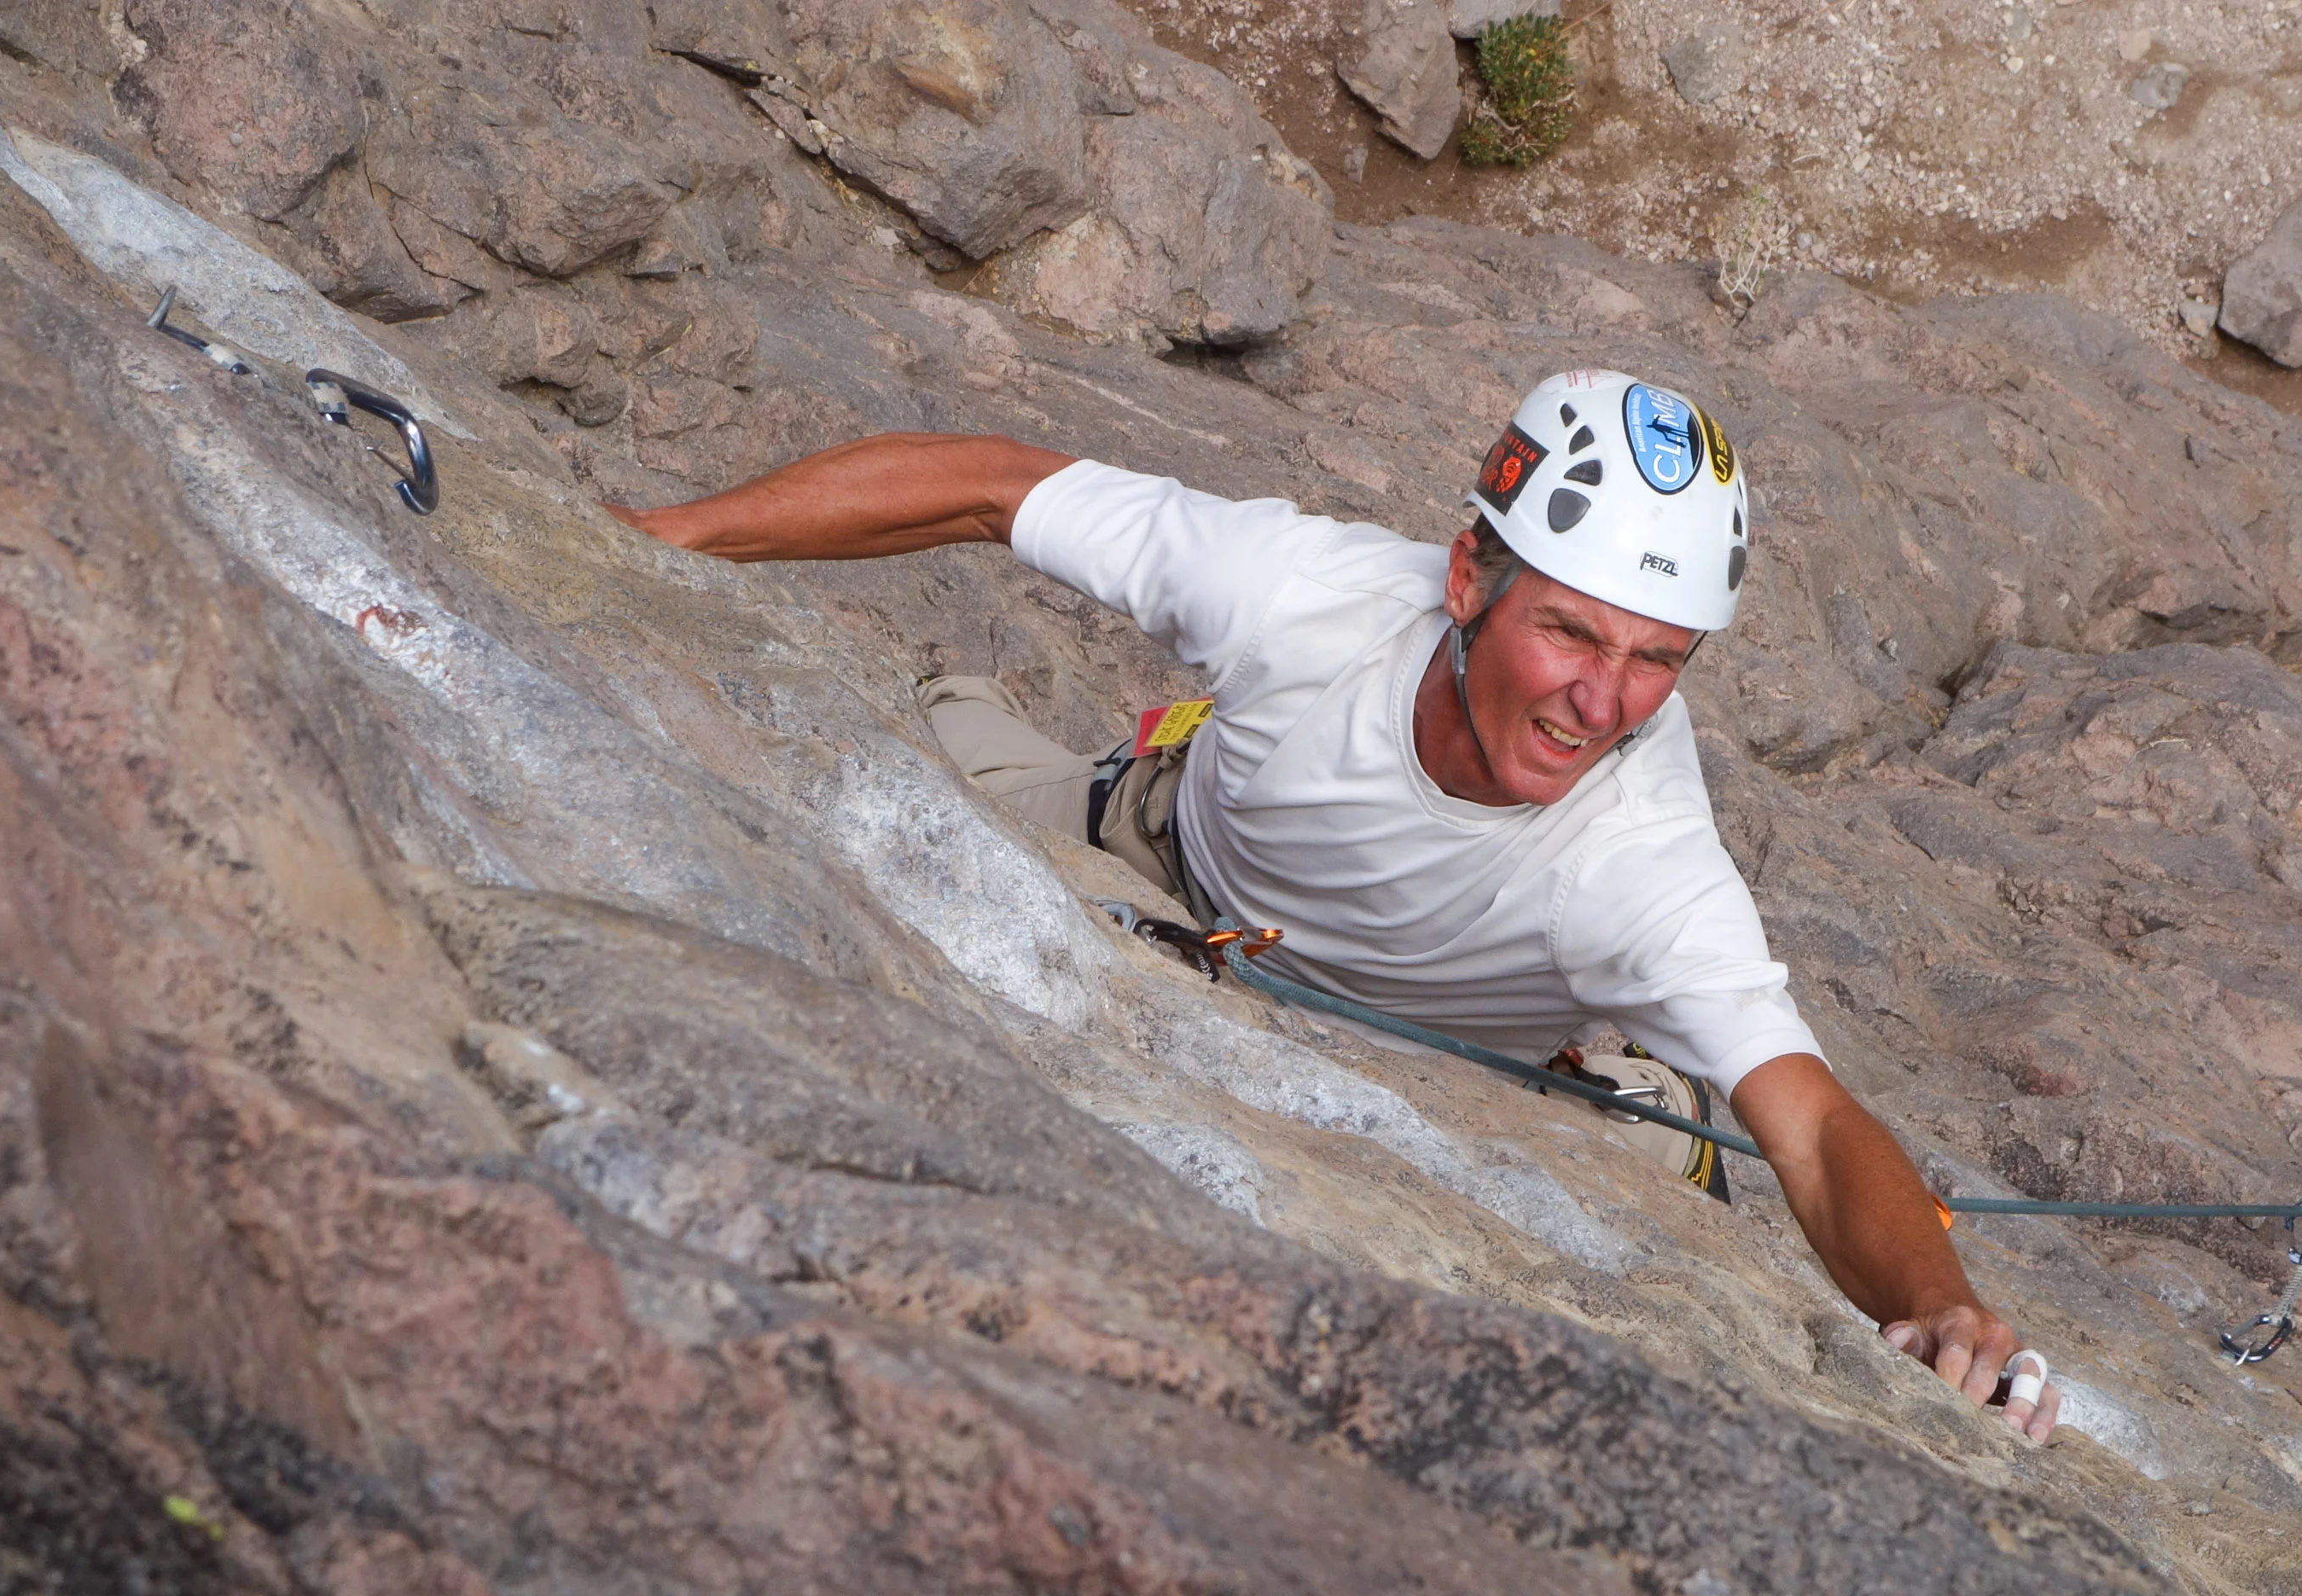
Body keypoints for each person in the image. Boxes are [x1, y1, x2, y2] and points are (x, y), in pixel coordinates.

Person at [608, 369, 2063, 1443]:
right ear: (1466, 580)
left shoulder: (1645, 861)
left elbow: (1807, 1124)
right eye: (1568, 629)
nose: (1599, 702)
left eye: (1655, 659)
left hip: (1464, 1062)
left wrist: (1940, 1309)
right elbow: (995, 482)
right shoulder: (1302, 594)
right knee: (896, 764)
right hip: (1154, 857)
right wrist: (652, 541)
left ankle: (1626, 1093)